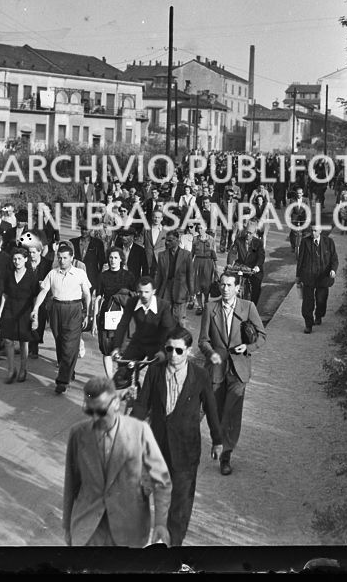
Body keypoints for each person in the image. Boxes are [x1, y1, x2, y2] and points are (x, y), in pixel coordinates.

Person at [131, 325, 224, 547]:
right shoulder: (154, 372)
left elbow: (211, 410)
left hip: (186, 449)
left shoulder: (200, 376)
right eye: (170, 349)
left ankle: (174, 547)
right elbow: (143, 405)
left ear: (189, 351)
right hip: (158, 446)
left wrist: (218, 440)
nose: (174, 354)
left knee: (180, 505)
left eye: (179, 350)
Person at [63, 376, 172, 547]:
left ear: (115, 403)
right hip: (88, 531)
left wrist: (160, 523)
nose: (95, 417)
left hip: (128, 531)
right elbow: (71, 484)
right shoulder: (78, 434)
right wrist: (67, 527)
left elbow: (162, 480)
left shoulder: (140, 431)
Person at [198, 269, 266, 476]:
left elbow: (262, 336)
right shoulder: (210, 308)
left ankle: (225, 456)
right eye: (222, 285)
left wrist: (248, 348)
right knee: (217, 412)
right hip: (217, 368)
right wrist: (211, 353)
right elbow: (203, 340)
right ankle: (218, 441)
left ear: (238, 288)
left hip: (239, 369)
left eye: (229, 285)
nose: (225, 289)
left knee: (232, 413)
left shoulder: (248, 307)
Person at [32, 243, 91, 394]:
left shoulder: (79, 273)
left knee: (70, 344)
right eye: (59, 258)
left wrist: (88, 314)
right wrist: (36, 308)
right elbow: (44, 291)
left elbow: (87, 294)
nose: (62, 260)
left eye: (65, 258)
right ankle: (68, 371)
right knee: (60, 342)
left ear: (72, 258)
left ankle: (62, 381)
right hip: (56, 309)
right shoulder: (53, 273)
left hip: (74, 309)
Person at [111, 277, 176, 390]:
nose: (143, 295)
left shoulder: (163, 305)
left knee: (156, 377)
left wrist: (162, 351)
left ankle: (151, 400)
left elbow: (168, 330)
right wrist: (116, 347)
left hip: (157, 344)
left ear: (154, 291)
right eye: (140, 292)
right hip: (138, 343)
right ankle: (128, 393)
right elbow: (122, 325)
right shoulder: (133, 302)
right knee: (121, 374)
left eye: (147, 292)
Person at [0, 247, 39, 384]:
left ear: (26, 259)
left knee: (23, 341)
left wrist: (35, 315)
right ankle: (11, 370)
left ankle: (23, 369)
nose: (17, 261)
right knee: (8, 340)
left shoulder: (32, 276)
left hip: (25, 310)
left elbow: (36, 296)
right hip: (10, 309)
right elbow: (5, 294)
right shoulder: (9, 274)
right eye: (14, 259)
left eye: (20, 258)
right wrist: (0, 312)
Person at [95, 248, 137, 379]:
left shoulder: (129, 276)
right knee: (107, 349)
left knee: (123, 348)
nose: (112, 260)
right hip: (107, 315)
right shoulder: (103, 276)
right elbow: (98, 297)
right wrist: (94, 320)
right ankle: (110, 379)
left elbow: (135, 296)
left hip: (124, 317)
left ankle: (122, 377)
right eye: (111, 258)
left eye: (115, 258)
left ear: (121, 260)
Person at [295, 224, 339, 333]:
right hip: (308, 276)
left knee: (321, 300)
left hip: (323, 277)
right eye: (312, 230)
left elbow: (334, 259)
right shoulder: (305, 242)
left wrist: (333, 270)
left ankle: (318, 316)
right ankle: (308, 324)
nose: (313, 233)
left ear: (320, 231)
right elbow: (300, 260)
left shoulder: (328, 242)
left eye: (315, 231)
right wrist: (298, 276)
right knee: (307, 302)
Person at [154, 230, 194, 328]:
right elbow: (159, 275)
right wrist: (155, 291)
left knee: (179, 319)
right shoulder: (161, 255)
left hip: (181, 290)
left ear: (177, 240)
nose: (167, 243)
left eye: (170, 240)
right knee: (165, 318)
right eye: (166, 240)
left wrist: (191, 293)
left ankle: (181, 340)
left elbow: (190, 275)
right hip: (165, 288)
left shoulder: (186, 255)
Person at [71, 227, 106, 330]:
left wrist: (98, 278)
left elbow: (102, 261)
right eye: (82, 229)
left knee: (88, 298)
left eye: (86, 229)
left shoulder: (97, 243)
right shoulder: (73, 242)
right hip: (75, 275)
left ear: (91, 230)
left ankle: (87, 320)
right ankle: (75, 320)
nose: (84, 231)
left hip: (91, 276)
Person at [226, 218, 266, 306]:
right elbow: (232, 253)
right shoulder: (239, 241)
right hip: (242, 268)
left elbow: (261, 256)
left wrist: (257, 267)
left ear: (254, 232)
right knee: (231, 282)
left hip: (253, 269)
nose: (248, 234)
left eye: (250, 233)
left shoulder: (258, 243)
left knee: (256, 288)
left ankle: (253, 306)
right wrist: (229, 264)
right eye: (247, 232)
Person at [24, 242, 53, 359]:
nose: (31, 255)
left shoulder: (47, 264)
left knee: (39, 320)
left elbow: (51, 279)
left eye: (34, 252)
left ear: (40, 252)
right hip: (27, 295)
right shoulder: (26, 263)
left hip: (41, 297)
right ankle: (28, 345)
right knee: (27, 319)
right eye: (30, 252)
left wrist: (45, 285)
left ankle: (34, 346)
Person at [189, 223, 218, 315]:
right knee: (197, 285)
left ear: (205, 229)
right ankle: (200, 306)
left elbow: (214, 255)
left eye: (202, 228)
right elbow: (191, 254)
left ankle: (206, 303)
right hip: (197, 263)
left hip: (208, 263)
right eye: (198, 228)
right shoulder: (195, 239)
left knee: (206, 285)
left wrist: (216, 268)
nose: (200, 230)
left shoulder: (211, 239)